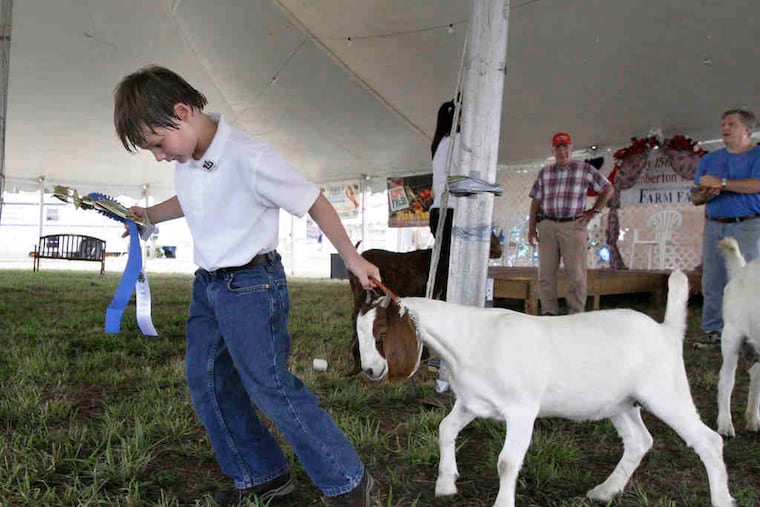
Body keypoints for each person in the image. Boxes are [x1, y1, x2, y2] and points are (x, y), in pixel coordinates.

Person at [113, 65, 380, 507]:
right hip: (209, 286)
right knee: (207, 378)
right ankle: (262, 476)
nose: (159, 157)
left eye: (158, 145)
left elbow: (311, 199)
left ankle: (348, 480)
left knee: (268, 384)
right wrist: (148, 215)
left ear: (182, 112)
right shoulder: (191, 156)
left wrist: (351, 258)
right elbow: (194, 197)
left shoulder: (249, 155)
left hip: (253, 286)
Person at [691, 109, 760, 347]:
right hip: (714, 226)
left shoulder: (757, 155)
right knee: (713, 279)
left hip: (748, 225)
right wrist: (705, 193)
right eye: (722, 124)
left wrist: (722, 183)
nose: (724, 128)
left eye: (731, 124)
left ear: (747, 130)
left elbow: (756, 185)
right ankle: (714, 331)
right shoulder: (709, 160)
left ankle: (751, 335)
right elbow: (695, 198)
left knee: (749, 279)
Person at [528, 132, 613, 315]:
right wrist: (531, 229)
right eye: (558, 147)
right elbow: (536, 200)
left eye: (565, 146)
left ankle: (575, 314)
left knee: (576, 274)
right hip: (547, 225)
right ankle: (548, 313)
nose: (562, 151)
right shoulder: (545, 172)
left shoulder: (584, 169)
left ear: (571, 148)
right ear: (553, 150)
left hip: (574, 225)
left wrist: (595, 211)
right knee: (545, 274)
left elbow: (607, 188)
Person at [429, 99, 459, 301]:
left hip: (438, 210)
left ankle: (440, 301)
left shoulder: (439, 143)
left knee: (442, 265)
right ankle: (446, 305)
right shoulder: (458, 141)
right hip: (451, 210)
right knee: (451, 268)